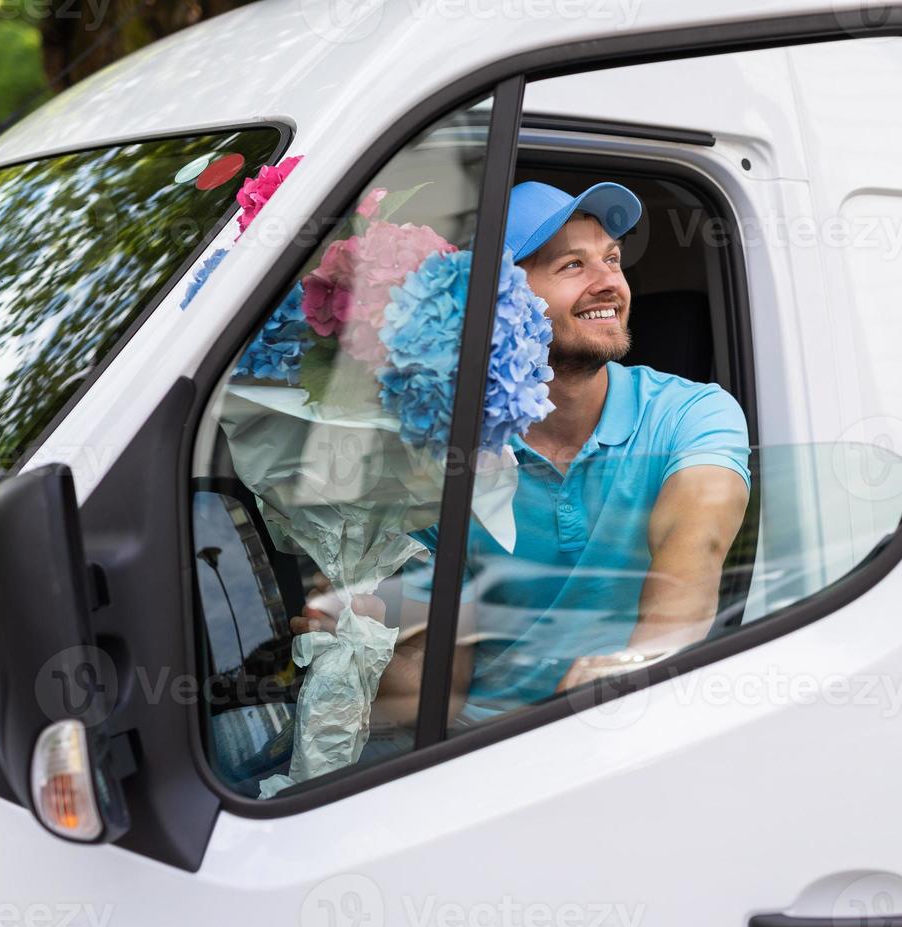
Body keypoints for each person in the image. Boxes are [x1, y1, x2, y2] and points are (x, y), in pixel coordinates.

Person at [295, 180, 751, 726]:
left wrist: (631, 670)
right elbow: (432, 696)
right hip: (483, 748)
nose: (611, 283)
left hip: (634, 720)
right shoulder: (446, 457)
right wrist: (359, 634)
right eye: (572, 267)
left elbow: (694, 550)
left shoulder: (692, 413)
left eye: (613, 260)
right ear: (504, 303)